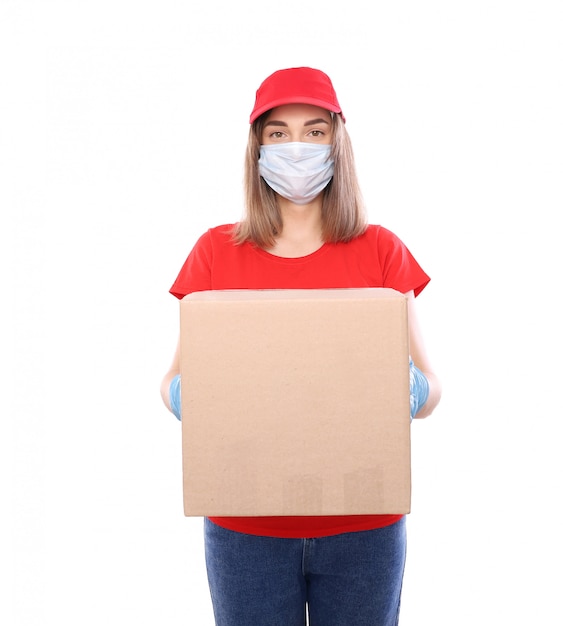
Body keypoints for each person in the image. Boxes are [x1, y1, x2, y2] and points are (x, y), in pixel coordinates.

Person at [160, 66, 442, 626]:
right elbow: (170, 384)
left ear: (338, 142)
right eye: (278, 133)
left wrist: (402, 392)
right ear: (257, 146)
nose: (297, 148)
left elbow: (432, 387)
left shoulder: (381, 250)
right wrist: (196, 396)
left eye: (315, 132)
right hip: (246, 528)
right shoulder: (215, 251)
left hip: (364, 525)